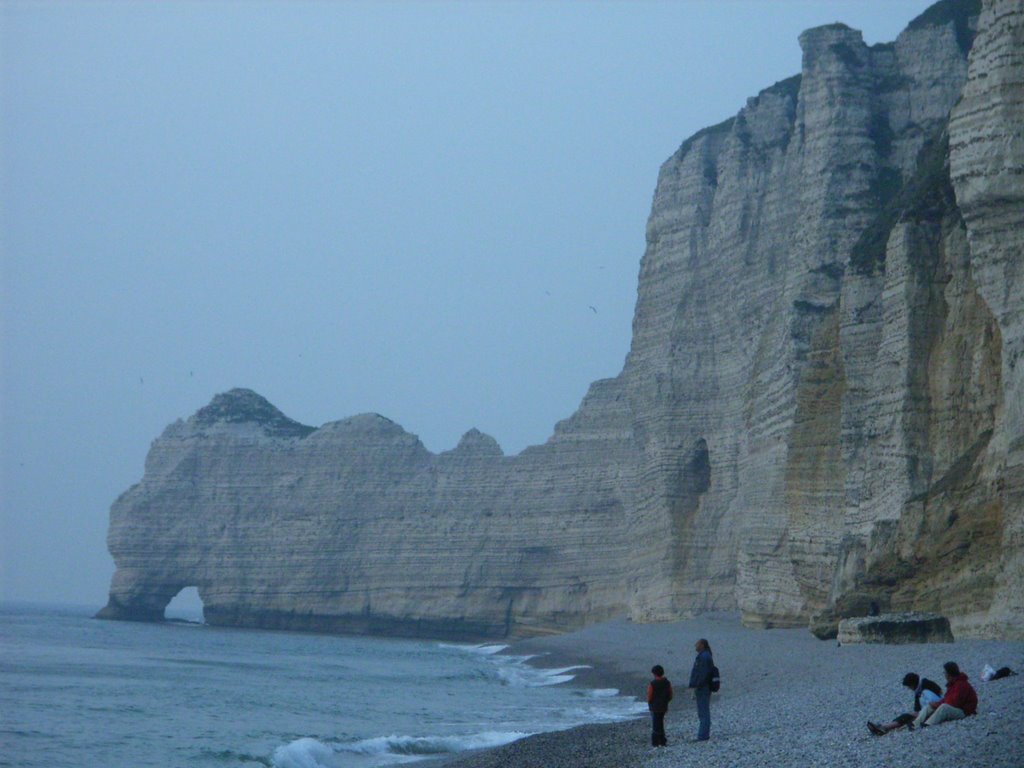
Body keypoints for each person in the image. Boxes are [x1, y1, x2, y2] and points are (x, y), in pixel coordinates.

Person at [867, 672, 943, 735]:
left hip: (934, 710)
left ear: (912, 684)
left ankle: (885, 727)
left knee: (908, 717)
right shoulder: (919, 689)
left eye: (909, 687)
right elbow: (917, 710)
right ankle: (885, 727)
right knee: (908, 716)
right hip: (929, 710)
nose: (909, 689)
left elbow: (939, 695)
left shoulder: (925, 685)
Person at [913, 662, 978, 728]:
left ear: (949, 674)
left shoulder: (961, 685)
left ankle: (928, 724)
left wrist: (938, 704)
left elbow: (955, 703)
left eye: (945, 672)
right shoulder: (954, 683)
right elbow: (947, 698)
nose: (944, 675)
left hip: (965, 712)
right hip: (958, 708)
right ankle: (915, 724)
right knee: (929, 706)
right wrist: (936, 704)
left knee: (944, 707)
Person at [687, 638, 713, 741]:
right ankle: (703, 734)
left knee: (703, 712)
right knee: (703, 711)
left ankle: (703, 736)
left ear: (702, 645)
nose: (695, 646)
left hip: (703, 687)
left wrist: (697, 684)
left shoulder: (704, 657)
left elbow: (703, 673)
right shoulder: (705, 655)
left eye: (697, 644)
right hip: (703, 686)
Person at [646, 664, 673, 746]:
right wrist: (667, 700)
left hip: (655, 706)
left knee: (656, 723)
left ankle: (656, 741)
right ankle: (662, 740)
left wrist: (649, 702)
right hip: (663, 705)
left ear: (654, 674)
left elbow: (649, 695)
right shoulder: (667, 682)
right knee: (660, 722)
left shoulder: (653, 684)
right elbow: (670, 694)